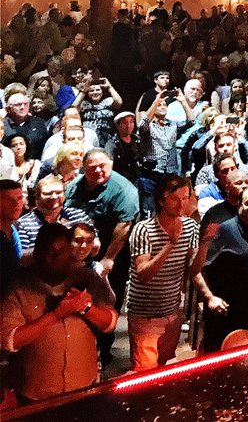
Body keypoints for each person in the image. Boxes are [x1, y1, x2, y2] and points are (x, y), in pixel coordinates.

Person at [1, 223, 118, 403]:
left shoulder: (88, 279)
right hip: (37, 396)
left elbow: (110, 323)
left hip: (84, 387)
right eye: (50, 251)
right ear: (37, 253)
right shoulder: (18, 288)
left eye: (61, 250)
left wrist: (86, 308)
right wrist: (56, 315)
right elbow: (10, 340)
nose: (56, 256)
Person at [64, 148, 139, 365]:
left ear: (111, 165)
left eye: (102, 165)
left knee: (107, 299)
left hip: (112, 251)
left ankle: (103, 351)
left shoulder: (123, 189)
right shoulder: (75, 187)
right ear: (83, 168)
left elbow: (123, 227)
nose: (98, 170)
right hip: (78, 252)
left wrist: (107, 259)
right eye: (92, 167)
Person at [126, 175, 202, 370]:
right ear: (162, 200)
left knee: (163, 367)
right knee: (145, 373)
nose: (181, 204)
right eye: (176, 199)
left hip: (171, 311)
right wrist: (170, 245)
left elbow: (193, 269)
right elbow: (143, 274)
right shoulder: (143, 230)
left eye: (185, 198)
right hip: (145, 315)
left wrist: (206, 244)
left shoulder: (191, 227)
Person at [197, 188, 248, 353]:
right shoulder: (224, 230)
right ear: (239, 205)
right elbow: (197, 269)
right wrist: (210, 297)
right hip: (229, 315)